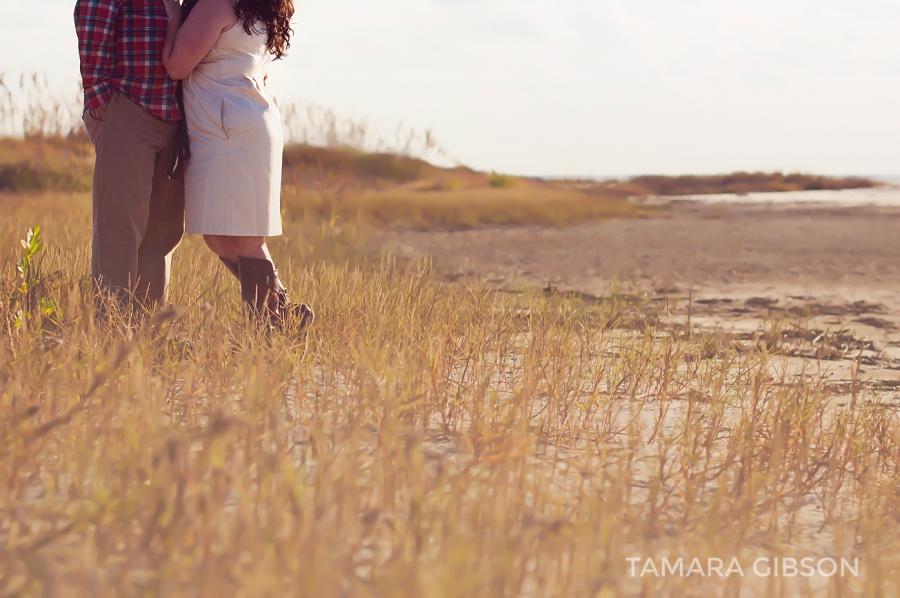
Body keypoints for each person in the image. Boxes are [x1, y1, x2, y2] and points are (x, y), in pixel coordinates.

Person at [161, 0, 312, 328]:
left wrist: (173, 18)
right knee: (216, 235)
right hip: (237, 125)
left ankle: (269, 328)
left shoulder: (217, 4)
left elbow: (176, 65)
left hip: (230, 131)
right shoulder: (256, 7)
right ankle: (282, 312)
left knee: (246, 237)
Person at [75, 0, 186, 308]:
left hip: (174, 115)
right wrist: (100, 99)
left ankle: (147, 332)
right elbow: (93, 13)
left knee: (163, 231)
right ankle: (112, 331)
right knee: (120, 228)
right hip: (130, 105)